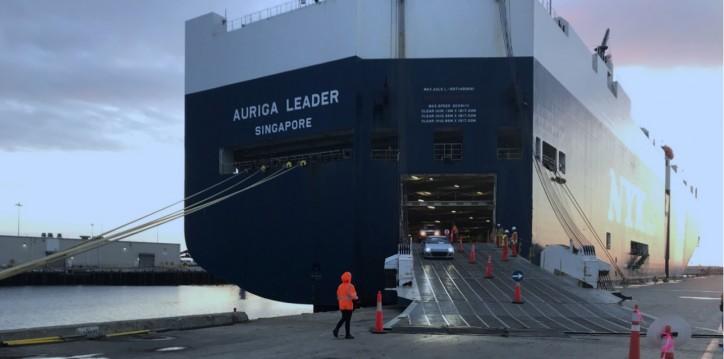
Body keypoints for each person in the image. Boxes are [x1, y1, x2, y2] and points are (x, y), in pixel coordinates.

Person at [333, 271, 358, 339]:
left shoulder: (340, 286)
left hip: (342, 305)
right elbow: (354, 297)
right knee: (347, 320)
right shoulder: (350, 286)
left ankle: (337, 330)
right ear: (349, 278)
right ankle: (346, 334)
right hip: (349, 305)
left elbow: (338, 296)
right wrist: (355, 305)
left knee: (344, 318)